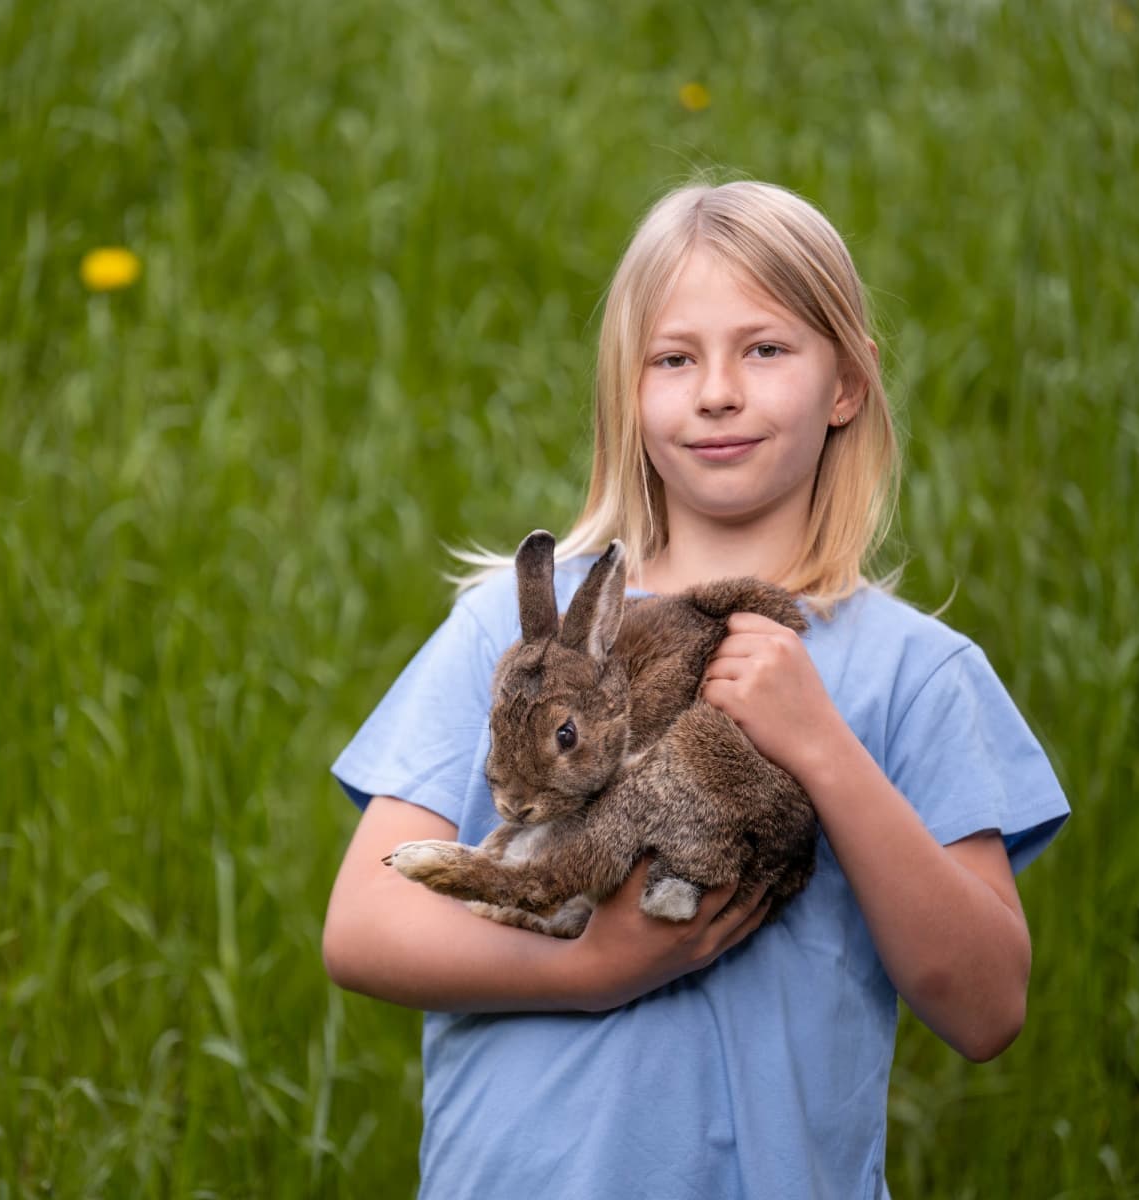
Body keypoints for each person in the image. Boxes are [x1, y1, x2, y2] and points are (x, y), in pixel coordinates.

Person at [322, 179, 1070, 1197]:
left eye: (765, 350)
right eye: (674, 359)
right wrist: (594, 972)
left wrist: (821, 747)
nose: (717, 391)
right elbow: (363, 927)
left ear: (847, 383)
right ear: (629, 392)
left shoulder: (913, 674)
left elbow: (986, 1006)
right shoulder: (512, 634)